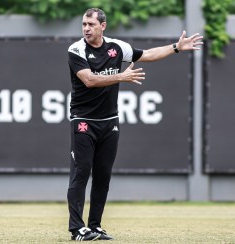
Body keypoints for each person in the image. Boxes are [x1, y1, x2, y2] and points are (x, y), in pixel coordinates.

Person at [67, 8, 203, 241]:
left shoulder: (117, 48)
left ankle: (95, 226)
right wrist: (121, 76)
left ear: (103, 26)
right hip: (83, 120)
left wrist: (176, 48)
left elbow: (148, 54)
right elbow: (89, 80)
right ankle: (77, 229)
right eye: (84, 24)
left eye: (91, 24)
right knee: (82, 172)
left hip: (110, 121)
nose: (86, 28)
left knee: (103, 175)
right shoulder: (76, 49)